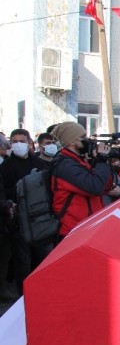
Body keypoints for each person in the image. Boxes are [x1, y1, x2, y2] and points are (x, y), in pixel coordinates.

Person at [0, 129, 53, 293]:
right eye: (14, 141)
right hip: (19, 221)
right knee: (23, 262)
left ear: (30, 143)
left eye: (21, 141)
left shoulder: (40, 164)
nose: (17, 145)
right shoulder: (6, 167)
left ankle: (44, 291)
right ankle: (24, 296)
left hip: (41, 220)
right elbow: (4, 193)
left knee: (44, 258)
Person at [49, 122, 113, 239]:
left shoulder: (79, 161)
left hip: (87, 226)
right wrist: (101, 162)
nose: (87, 140)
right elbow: (95, 187)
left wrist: (98, 162)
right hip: (72, 230)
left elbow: (106, 186)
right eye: (83, 137)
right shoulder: (65, 165)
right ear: (72, 141)